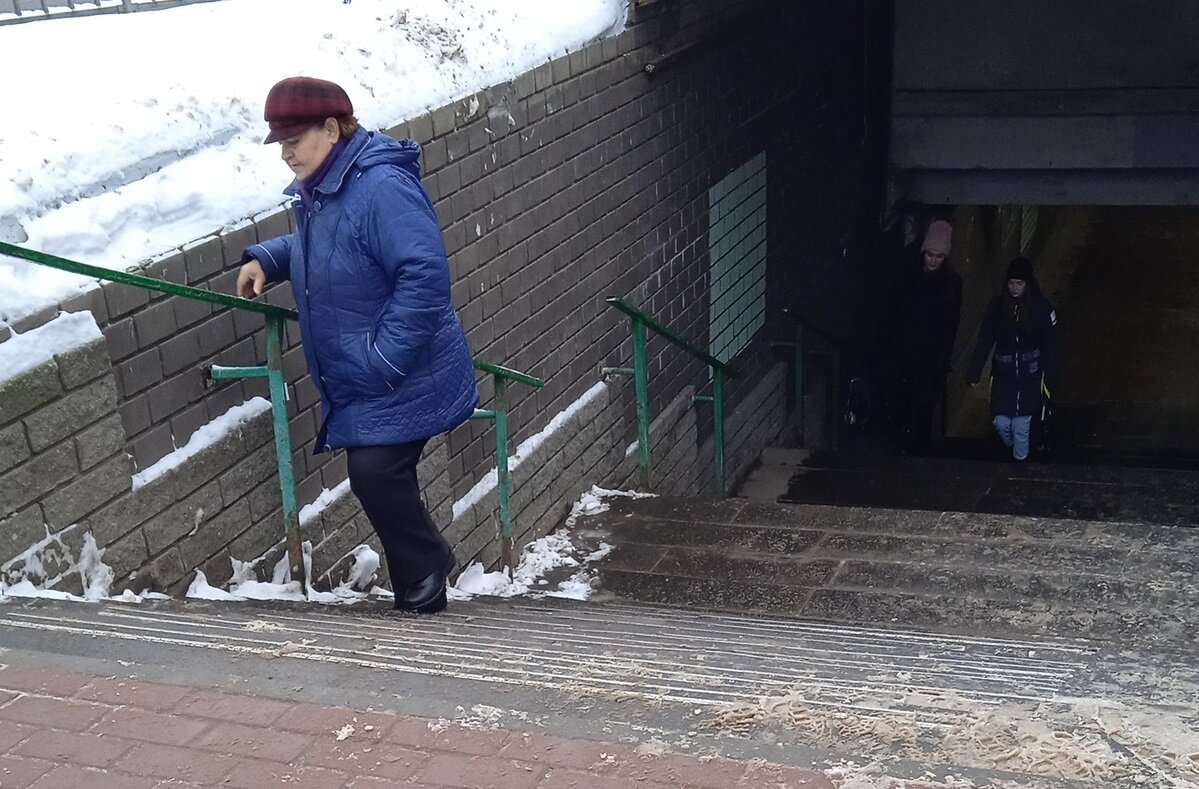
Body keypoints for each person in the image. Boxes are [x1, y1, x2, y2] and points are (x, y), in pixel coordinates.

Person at [235, 76, 478, 614]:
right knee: (378, 474)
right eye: (279, 141)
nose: (286, 152)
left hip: (403, 367)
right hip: (372, 371)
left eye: (295, 138)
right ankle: (423, 572)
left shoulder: (380, 186)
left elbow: (424, 274)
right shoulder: (328, 186)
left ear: (331, 127)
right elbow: (330, 244)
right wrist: (271, 258)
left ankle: (424, 576)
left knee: (376, 471)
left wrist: (385, 357)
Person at [965, 256, 1059, 462]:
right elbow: (985, 339)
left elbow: (1050, 344)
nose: (1014, 288)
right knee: (1001, 423)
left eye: (1019, 283)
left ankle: (1019, 463)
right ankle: (1017, 453)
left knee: (1021, 426)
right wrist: (974, 370)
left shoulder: (1041, 308)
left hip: (1030, 378)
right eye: (1011, 283)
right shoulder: (997, 307)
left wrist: (1050, 376)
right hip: (1004, 378)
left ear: (1027, 284)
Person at [881, 219, 962, 453]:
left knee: (923, 407)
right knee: (903, 404)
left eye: (939, 257)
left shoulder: (950, 284)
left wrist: (942, 359)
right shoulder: (907, 275)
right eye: (930, 255)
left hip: (929, 358)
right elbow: (892, 312)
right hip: (904, 353)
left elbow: (950, 325)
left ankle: (918, 450)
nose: (933, 261)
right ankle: (905, 447)